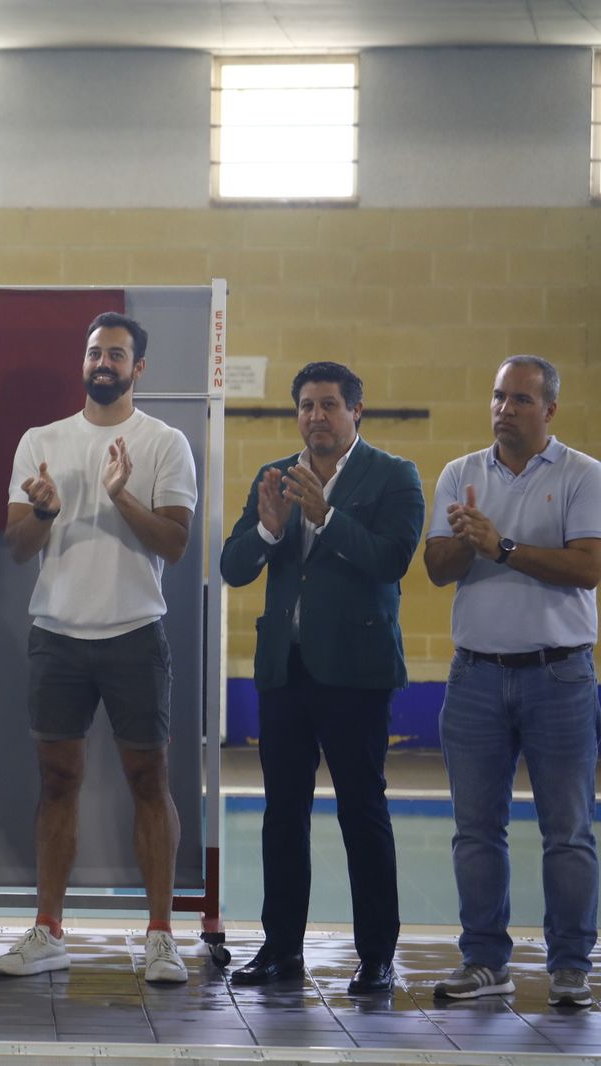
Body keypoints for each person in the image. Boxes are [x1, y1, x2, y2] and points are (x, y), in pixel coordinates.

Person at [0, 311, 197, 985]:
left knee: (149, 782)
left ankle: (161, 936)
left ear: (138, 368)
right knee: (57, 781)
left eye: (116, 354)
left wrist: (119, 498)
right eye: (93, 353)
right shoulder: (40, 442)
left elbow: (174, 542)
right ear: (82, 363)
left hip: (135, 635)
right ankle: (48, 930)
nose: (102, 363)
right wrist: (47, 513)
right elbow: (18, 546)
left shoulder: (165, 443)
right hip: (57, 636)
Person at [219, 361, 423, 994]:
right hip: (285, 671)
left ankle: (377, 957)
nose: (316, 416)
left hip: (355, 676)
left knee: (362, 813)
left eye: (329, 405)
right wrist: (266, 528)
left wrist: (328, 517)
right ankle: (282, 949)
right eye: (306, 405)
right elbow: (232, 567)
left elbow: (392, 560)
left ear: (355, 412)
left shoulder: (394, 477)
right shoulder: (273, 477)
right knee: (283, 813)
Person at [423, 355, 601, 1008]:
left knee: (569, 828)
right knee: (475, 829)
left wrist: (502, 548)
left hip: (558, 677)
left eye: (520, 399)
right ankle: (485, 960)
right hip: (475, 679)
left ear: (550, 410)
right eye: (498, 397)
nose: (504, 409)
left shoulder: (583, 476)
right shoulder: (460, 474)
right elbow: (437, 568)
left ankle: (570, 966)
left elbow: (587, 569)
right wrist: (468, 543)